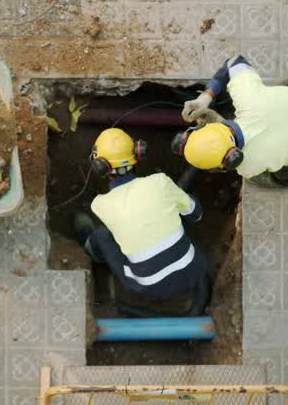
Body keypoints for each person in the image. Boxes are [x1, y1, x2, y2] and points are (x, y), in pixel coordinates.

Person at [73, 128, 210, 316]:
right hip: (194, 269)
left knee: (103, 235)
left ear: (100, 167)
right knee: (181, 206)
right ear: (138, 153)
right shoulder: (160, 182)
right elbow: (197, 214)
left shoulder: (100, 204)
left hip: (150, 288)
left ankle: (92, 250)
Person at [175, 54, 288, 187]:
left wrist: (218, 118)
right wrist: (206, 97)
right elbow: (234, 62)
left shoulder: (248, 166)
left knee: (286, 169)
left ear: (230, 161)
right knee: (285, 85)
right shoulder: (247, 97)